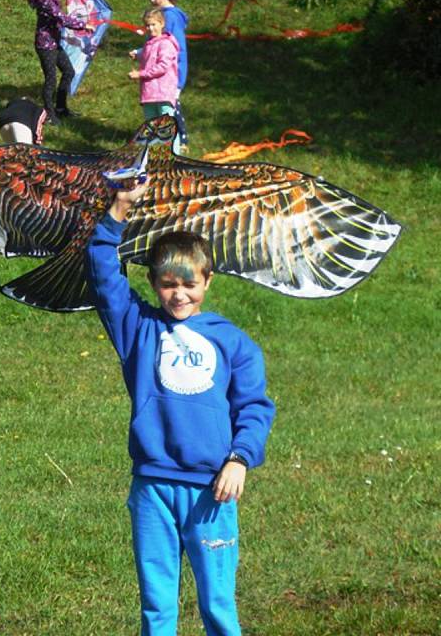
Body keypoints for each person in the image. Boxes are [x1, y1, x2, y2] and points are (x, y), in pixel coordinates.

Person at [85, 180, 276, 636]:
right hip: (152, 487)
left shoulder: (234, 343)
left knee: (217, 604)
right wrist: (117, 211)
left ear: (208, 280)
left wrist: (240, 459)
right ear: (152, 283)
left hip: (212, 490)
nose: (179, 294)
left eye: (190, 283)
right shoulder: (137, 328)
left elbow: (255, 406)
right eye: (168, 284)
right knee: (157, 605)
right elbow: (102, 275)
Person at [28, 0, 94, 124]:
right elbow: (61, 18)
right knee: (51, 79)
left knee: (68, 72)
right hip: (45, 46)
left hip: (53, 43)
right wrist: (83, 25)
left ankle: (61, 108)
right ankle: (49, 115)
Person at [128, 8, 181, 152]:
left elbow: (162, 66)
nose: (150, 28)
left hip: (163, 92)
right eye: (147, 25)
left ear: (162, 23)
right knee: (152, 126)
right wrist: (137, 53)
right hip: (149, 93)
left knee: (167, 126)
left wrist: (140, 74)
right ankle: (154, 155)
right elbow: (149, 53)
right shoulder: (150, 42)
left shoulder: (167, 43)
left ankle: (175, 155)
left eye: (154, 24)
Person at [148, 0, 189, 149]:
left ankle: (180, 140)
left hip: (172, 71)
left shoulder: (172, 17)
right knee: (169, 105)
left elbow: (178, 48)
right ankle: (176, 138)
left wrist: (178, 75)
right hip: (164, 70)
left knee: (171, 105)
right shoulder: (164, 16)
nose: (152, 0)